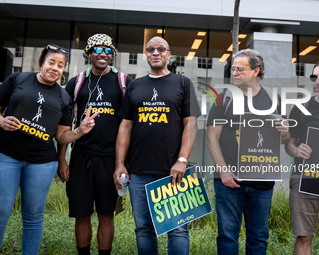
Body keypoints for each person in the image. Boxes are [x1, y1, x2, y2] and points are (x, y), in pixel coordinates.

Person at [0, 45, 99, 255]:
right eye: (51, 63)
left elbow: (62, 136)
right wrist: (0, 121)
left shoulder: (64, 98)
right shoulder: (19, 80)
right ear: (42, 63)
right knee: (1, 211)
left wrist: (79, 131)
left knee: (34, 216)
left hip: (42, 163)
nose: (55, 68)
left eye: (60, 65)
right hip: (6, 156)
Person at [113, 36, 201, 255]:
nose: (155, 53)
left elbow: (190, 123)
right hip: (139, 171)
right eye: (150, 49)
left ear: (168, 55)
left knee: (178, 229)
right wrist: (120, 164)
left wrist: (182, 160)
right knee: (143, 229)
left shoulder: (182, 83)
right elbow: (125, 127)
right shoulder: (135, 85)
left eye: (160, 49)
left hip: (172, 171)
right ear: (146, 54)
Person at [206, 49, 290, 255]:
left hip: (262, 182)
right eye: (233, 69)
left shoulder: (273, 99)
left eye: (240, 69)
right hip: (228, 181)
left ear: (255, 71)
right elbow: (212, 137)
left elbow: (283, 140)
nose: (234, 73)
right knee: (227, 235)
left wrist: (285, 132)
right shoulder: (223, 98)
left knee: (259, 237)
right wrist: (223, 171)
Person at [57, 34, 132, 255]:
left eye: (108, 50)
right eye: (97, 49)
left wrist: (123, 163)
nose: (102, 54)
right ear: (89, 53)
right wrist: (62, 158)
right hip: (80, 157)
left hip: (110, 160)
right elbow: (65, 122)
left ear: (112, 55)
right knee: (81, 214)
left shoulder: (124, 82)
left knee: (106, 214)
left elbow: (129, 125)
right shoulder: (77, 82)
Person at [285, 60, 319, 255]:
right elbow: (288, 144)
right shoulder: (301, 108)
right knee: (304, 236)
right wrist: (296, 150)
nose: (317, 81)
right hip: (304, 178)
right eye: (314, 77)